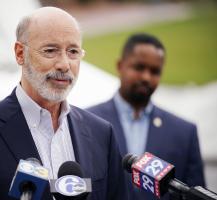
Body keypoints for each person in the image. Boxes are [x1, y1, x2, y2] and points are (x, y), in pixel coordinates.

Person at [0, 7, 128, 200]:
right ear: (19, 53)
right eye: (50, 50)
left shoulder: (101, 133)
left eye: (73, 51)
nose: (64, 64)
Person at [87, 33, 205, 199]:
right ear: (120, 66)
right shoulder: (86, 122)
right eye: (139, 67)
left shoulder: (185, 133)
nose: (146, 77)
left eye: (155, 71)